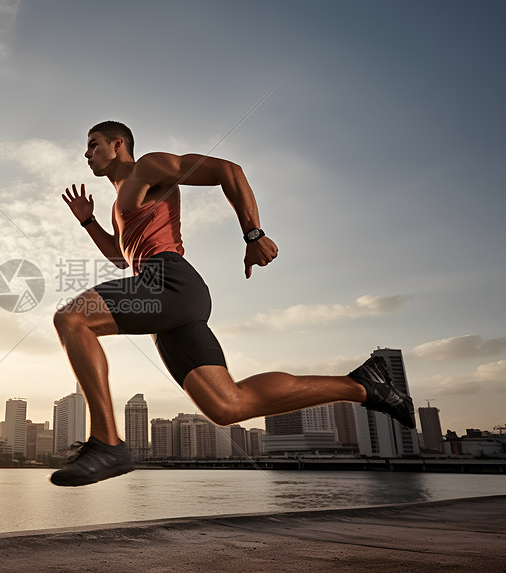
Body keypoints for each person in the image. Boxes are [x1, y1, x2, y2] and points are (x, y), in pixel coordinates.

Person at [50, 121, 415, 487]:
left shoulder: (147, 167)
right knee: (227, 406)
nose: (87, 153)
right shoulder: (120, 203)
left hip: (169, 280)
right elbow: (119, 255)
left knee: (73, 319)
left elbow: (228, 170)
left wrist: (253, 233)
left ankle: (107, 444)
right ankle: (366, 386)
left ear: (118, 144)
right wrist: (88, 221)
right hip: (163, 298)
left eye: (93, 144)